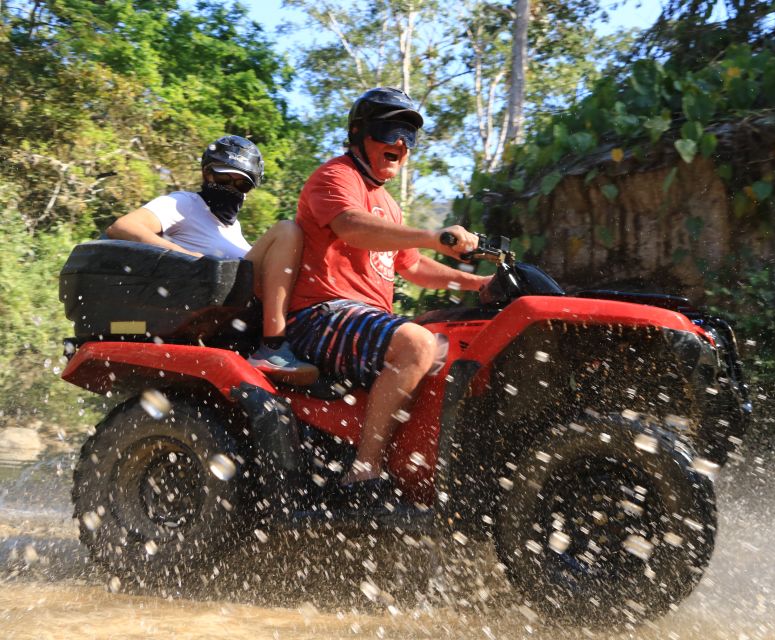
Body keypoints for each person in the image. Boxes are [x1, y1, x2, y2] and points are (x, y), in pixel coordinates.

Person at [288, 87, 490, 508]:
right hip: (321, 315)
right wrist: (432, 235)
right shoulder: (336, 176)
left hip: (362, 322)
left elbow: (413, 268)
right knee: (416, 341)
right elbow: (351, 227)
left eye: (409, 137)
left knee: (450, 346)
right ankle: (364, 473)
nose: (401, 143)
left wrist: (480, 285)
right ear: (359, 133)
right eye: (391, 131)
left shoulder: (390, 205)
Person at [106, 135, 318, 385]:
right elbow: (123, 227)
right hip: (196, 303)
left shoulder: (235, 232)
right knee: (286, 231)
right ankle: (272, 347)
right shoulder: (184, 203)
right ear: (207, 174)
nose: (230, 188)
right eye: (222, 178)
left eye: (242, 184)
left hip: (236, 308)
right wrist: (188, 257)